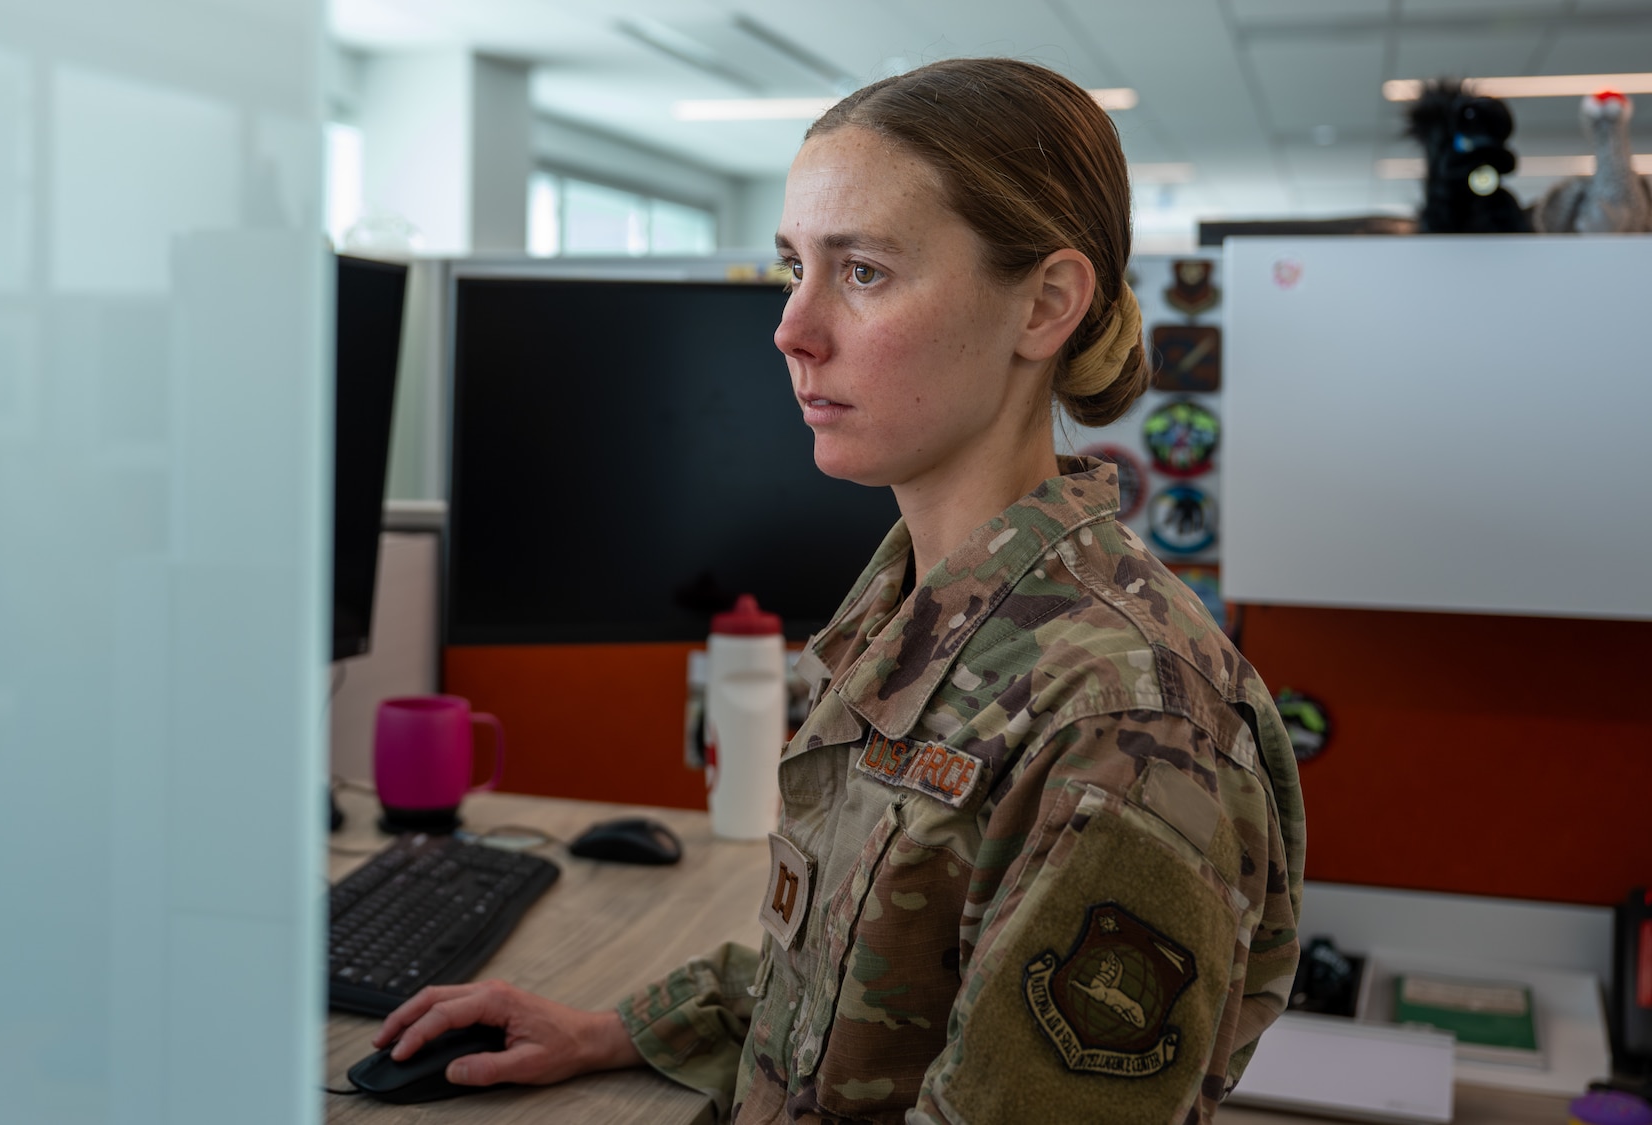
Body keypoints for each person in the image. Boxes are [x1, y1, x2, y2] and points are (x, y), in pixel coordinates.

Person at [373, 57, 1306, 1124]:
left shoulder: (1118, 716)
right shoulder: (915, 608)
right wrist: (616, 1030)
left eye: (861, 270)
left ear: (1043, 304)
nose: (790, 329)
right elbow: (854, 960)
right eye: (792, 267)